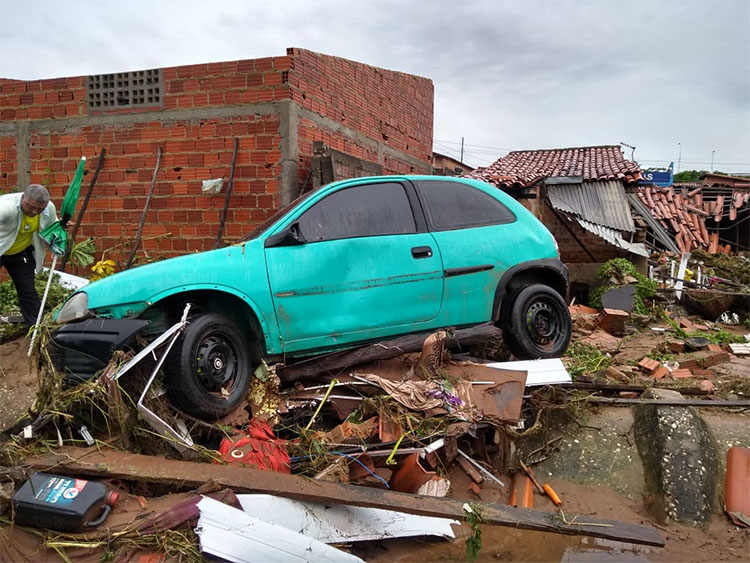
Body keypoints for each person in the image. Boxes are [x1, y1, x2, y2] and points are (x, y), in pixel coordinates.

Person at [0, 185, 58, 327]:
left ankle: (36, 328)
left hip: (20, 253)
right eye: (31, 207)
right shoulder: (7, 207)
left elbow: (53, 226)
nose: (34, 211)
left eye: (40, 209)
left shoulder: (48, 208)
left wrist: (60, 229)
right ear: (23, 198)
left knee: (28, 291)